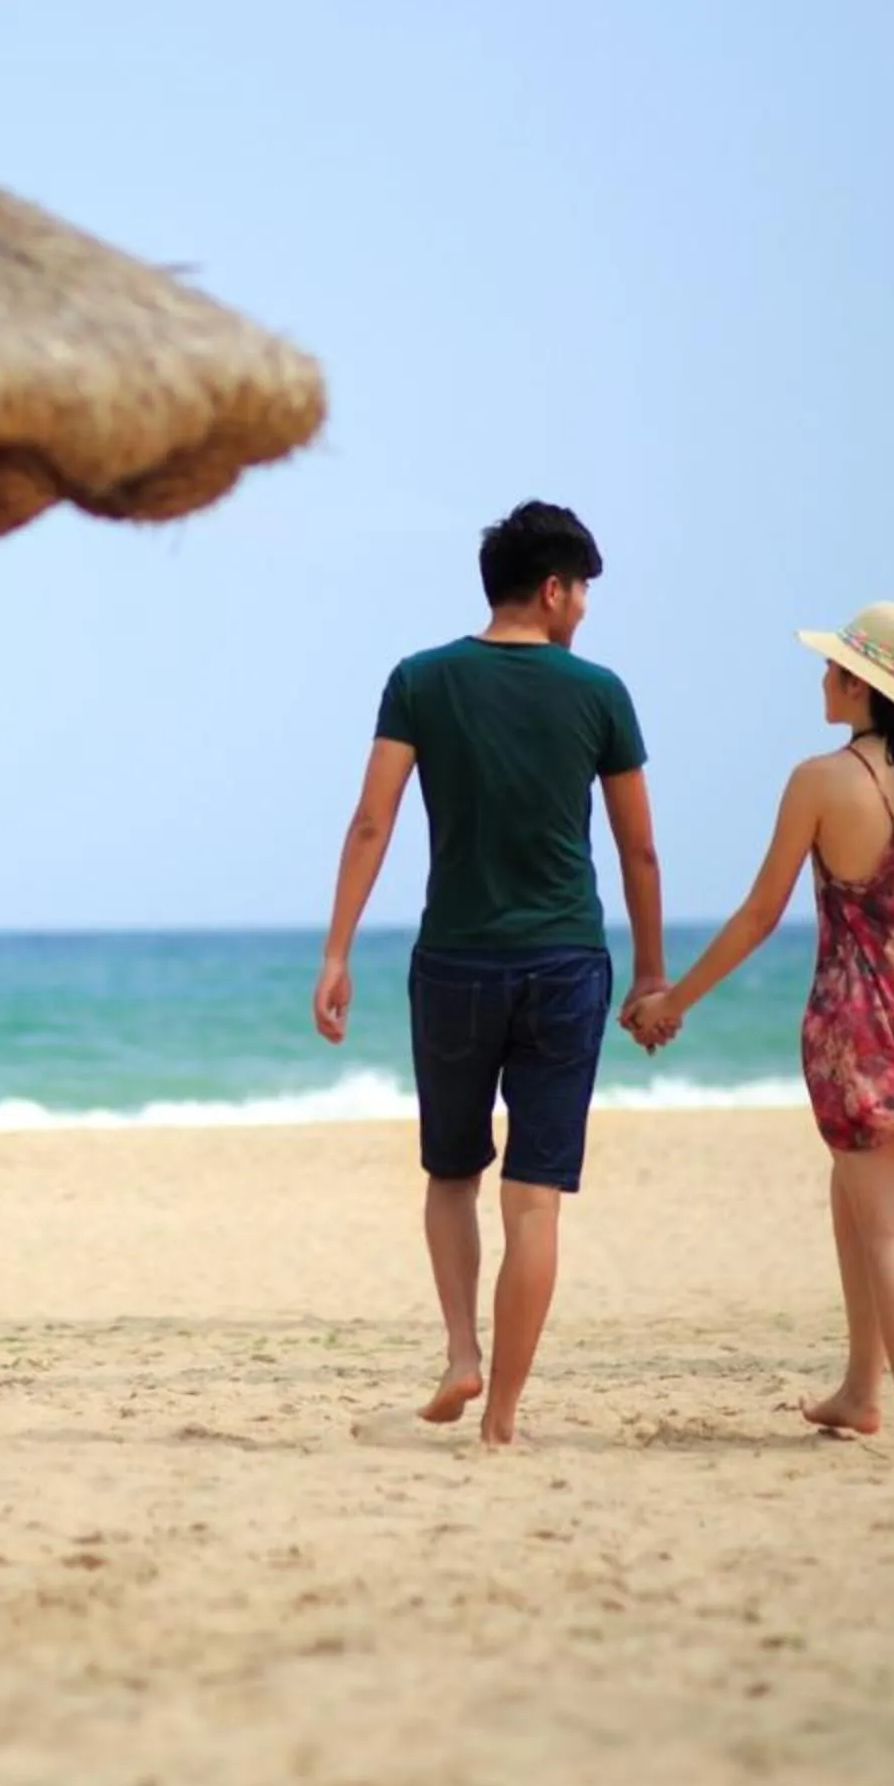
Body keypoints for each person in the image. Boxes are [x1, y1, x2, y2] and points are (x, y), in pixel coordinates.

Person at [622, 602, 894, 1455]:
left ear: (859, 683)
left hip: (861, 1020)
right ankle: (858, 1390)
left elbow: (759, 915)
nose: (821, 678)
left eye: (833, 667)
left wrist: (676, 999)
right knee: (852, 1196)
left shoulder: (821, 779)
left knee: (885, 1222)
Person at [314, 501, 665, 1446]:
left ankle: (463, 1354)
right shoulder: (600, 693)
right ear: (552, 589)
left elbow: (371, 822)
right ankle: (502, 1416)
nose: (585, 608)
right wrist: (651, 974)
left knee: (450, 1173)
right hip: (566, 964)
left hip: (456, 963)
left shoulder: (420, 680)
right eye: (582, 589)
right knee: (534, 1196)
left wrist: (338, 948)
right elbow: (639, 852)